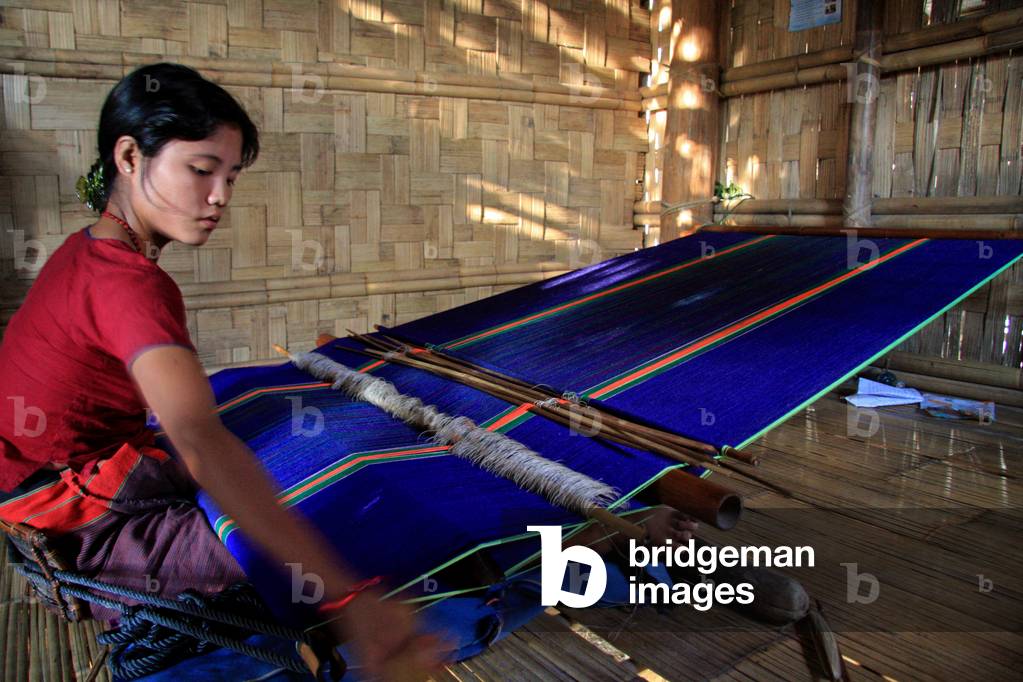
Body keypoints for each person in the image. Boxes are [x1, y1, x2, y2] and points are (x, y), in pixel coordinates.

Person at [0, 62, 442, 680]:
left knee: (271, 418)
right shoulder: (127, 284)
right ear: (129, 157)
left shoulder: (89, 249)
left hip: (61, 492)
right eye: (202, 170)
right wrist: (349, 601)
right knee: (349, 513)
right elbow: (200, 441)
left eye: (230, 176)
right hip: (92, 535)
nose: (220, 197)